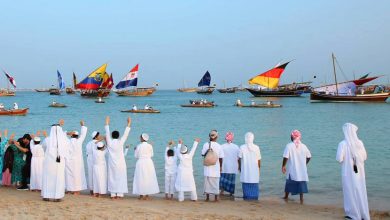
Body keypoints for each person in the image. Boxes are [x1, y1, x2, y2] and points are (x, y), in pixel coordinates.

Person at [336, 123, 370, 220]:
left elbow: (339, 159)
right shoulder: (360, 143)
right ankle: (363, 214)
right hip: (360, 172)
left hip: (348, 173)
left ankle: (353, 214)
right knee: (360, 191)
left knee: (349, 192)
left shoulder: (342, 144)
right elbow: (365, 157)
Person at [41, 119, 70, 202]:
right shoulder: (64, 140)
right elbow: (68, 147)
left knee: (48, 178)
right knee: (58, 178)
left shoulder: (47, 140)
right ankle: (57, 196)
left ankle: (46, 195)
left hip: (49, 162)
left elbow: (43, 147)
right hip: (59, 162)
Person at [105, 116, 131, 199]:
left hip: (112, 163)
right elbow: (126, 134)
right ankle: (119, 194)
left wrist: (107, 122)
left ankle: (113, 194)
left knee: (112, 177)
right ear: (118, 136)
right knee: (121, 177)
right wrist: (129, 123)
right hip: (120, 163)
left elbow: (107, 132)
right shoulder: (120, 142)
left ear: (112, 136)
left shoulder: (109, 142)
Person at [281, 130, 311, 203]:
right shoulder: (304, 146)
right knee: (301, 182)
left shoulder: (289, 145)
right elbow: (309, 156)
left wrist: (283, 166)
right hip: (302, 168)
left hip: (292, 168)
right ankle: (301, 199)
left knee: (289, 182)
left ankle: (286, 196)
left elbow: (286, 157)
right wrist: (305, 164)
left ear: (292, 137)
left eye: (291, 136)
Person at [133, 133, 160, 200]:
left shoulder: (138, 146)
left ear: (142, 138)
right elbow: (152, 155)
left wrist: (135, 150)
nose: (140, 139)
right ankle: (147, 195)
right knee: (148, 178)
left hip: (141, 162)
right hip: (148, 162)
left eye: (140, 137)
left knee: (140, 178)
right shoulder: (150, 146)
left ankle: (141, 195)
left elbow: (136, 156)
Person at [65, 121, 88, 195]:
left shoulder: (67, 141)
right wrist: (83, 125)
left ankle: (70, 189)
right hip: (77, 161)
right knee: (77, 175)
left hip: (69, 160)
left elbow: (62, 135)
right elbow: (83, 134)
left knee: (69, 175)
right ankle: (76, 190)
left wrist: (68, 133)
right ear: (77, 136)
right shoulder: (79, 141)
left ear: (71, 135)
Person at [201, 130, 224, 202]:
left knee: (207, 182)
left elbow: (202, 154)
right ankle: (216, 198)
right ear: (216, 137)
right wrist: (220, 167)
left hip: (207, 166)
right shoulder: (219, 146)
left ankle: (207, 198)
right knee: (215, 182)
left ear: (209, 136)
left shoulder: (205, 144)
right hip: (215, 166)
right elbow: (221, 157)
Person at [239, 132, 261, 200]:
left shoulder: (242, 147)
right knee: (254, 183)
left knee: (246, 183)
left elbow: (239, 158)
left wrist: (239, 167)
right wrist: (259, 169)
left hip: (245, 170)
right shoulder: (256, 147)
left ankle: (246, 197)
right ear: (252, 138)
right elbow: (259, 160)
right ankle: (254, 198)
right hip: (254, 170)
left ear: (245, 138)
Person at [219, 132, 239, 197]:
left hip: (224, 166)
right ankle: (231, 193)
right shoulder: (236, 147)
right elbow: (238, 158)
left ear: (226, 138)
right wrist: (239, 166)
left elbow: (220, 157)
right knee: (231, 180)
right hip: (233, 166)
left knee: (223, 179)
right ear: (232, 139)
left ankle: (222, 191)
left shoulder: (222, 146)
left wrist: (220, 166)